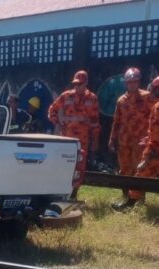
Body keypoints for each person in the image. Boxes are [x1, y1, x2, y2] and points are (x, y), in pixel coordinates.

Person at [109, 67, 158, 210]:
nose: (132, 85)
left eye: (135, 82)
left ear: (139, 81)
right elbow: (116, 121)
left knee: (140, 173)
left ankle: (139, 201)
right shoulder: (121, 101)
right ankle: (126, 198)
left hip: (141, 143)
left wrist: (150, 137)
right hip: (124, 141)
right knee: (125, 170)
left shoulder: (148, 97)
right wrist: (112, 139)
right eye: (129, 82)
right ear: (126, 83)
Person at [48, 70, 100, 167]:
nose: (77, 86)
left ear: (86, 83)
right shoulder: (66, 96)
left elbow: (95, 121)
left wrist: (94, 141)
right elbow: (52, 110)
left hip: (83, 141)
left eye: (80, 84)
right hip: (67, 139)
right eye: (75, 84)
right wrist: (58, 124)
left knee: (80, 167)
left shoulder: (92, 99)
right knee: (65, 166)